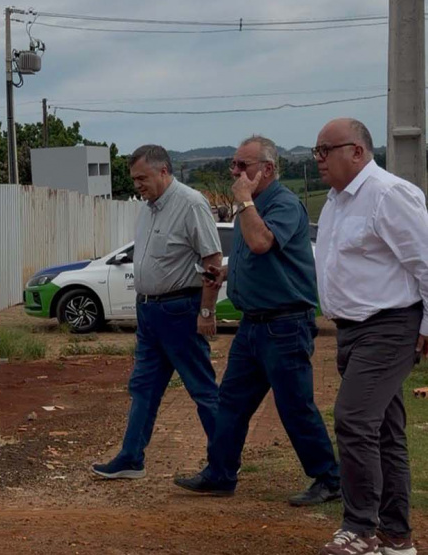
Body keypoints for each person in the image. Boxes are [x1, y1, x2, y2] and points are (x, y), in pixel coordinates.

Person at [174, 135, 340, 505]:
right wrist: (226, 273)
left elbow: (262, 243)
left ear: (267, 169)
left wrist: (245, 202)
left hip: (286, 324)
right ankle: (220, 474)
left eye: (242, 165)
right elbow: (252, 256)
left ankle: (329, 479)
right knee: (231, 402)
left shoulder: (283, 204)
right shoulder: (251, 206)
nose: (235, 172)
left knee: (294, 405)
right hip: (253, 325)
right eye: (233, 164)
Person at [313, 118, 427, 555]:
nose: (319, 159)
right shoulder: (335, 201)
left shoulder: (388, 194)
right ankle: (397, 538)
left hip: (389, 325)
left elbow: (425, 261)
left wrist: (427, 326)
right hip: (352, 330)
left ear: (357, 151)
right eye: (317, 151)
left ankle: (361, 528)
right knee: (384, 432)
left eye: (326, 150)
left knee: (354, 420)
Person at [91, 144, 222, 479]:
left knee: (202, 389)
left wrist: (206, 312)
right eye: (134, 179)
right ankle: (131, 458)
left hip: (180, 311)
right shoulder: (148, 209)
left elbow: (212, 261)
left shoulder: (191, 204)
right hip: (149, 312)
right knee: (143, 387)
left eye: (142, 178)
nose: (137, 185)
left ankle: (223, 464)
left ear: (163, 171)